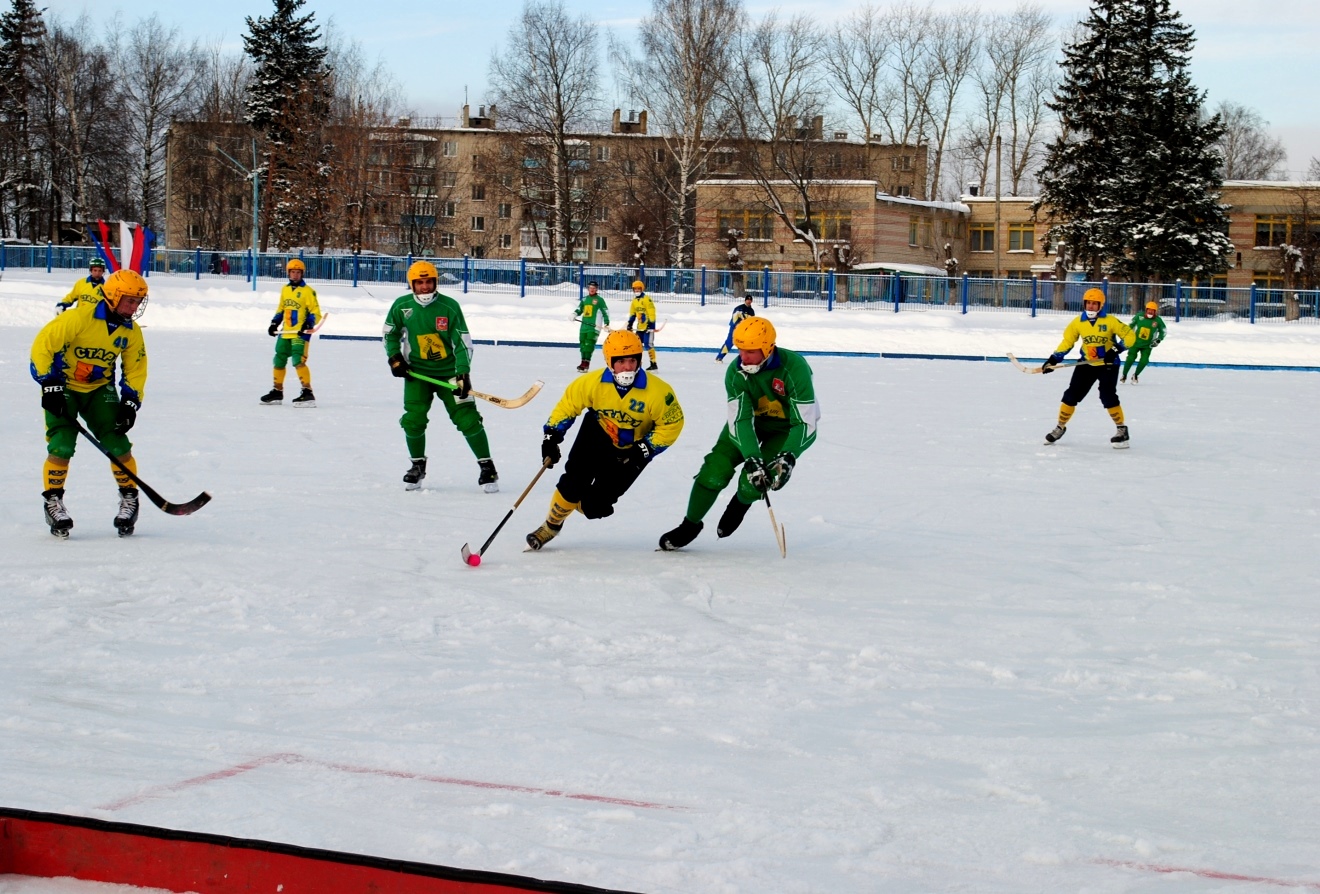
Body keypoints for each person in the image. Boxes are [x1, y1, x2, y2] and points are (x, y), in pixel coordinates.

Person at [660, 317, 818, 551]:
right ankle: (690, 524)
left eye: (750, 351)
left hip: (784, 430)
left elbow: (805, 422)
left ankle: (740, 503)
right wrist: (751, 455)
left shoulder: (794, 368)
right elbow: (740, 419)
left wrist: (789, 456)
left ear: (768, 348)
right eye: (740, 350)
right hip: (749, 424)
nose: (743, 357)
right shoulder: (736, 372)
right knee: (714, 469)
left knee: (756, 480)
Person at [527, 330, 684, 550]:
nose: (628, 367)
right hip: (597, 433)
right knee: (573, 482)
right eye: (621, 361)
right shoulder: (591, 383)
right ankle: (551, 526)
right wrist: (552, 436)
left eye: (632, 360)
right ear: (609, 361)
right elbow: (568, 406)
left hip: (633, 450)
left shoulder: (659, 392)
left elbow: (672, 425)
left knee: (596, 507)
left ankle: (579, 503)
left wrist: (645, 449)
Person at [30, 269, 150, 539]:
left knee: (118, 444)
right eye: (129, 300)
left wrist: (131, 401)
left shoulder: (131, 332)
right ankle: (53, 500)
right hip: (64, 387)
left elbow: (136, 368)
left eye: (137, 302)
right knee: (61, 444)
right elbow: (42, 346)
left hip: (99, 390)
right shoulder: (79, 317)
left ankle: (129, 497)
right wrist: (49, 384)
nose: (134, 307)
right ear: (112, 296)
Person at [383, 259, 499, 493]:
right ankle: (417, 466)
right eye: (420, 282)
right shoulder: (401, 306)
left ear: (436, 282)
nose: (425, 287)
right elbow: (390, 333)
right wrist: (395, 358)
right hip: (417, 375)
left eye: (429, 282)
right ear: (412, 284)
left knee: (467, 418)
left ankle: (487, 467)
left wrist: (462, 374)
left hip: (449, 375)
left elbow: (463, 344)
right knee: (413, 420)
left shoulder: (449, 307)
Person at [1041, 287, 1137, 448]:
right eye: (1088, 303)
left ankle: (1122, 429)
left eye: (1095, 303)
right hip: (1086, 364)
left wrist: (1115, 350)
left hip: (1108, 365)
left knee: (1107, 396)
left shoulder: (1110, 321)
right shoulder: (1078, 322)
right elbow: (1067, 342)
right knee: (1071, 395)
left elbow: (1130, 336)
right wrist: (1054, 359)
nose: (1091, 306)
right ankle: (1060, 427)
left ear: (1101, 305)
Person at [260, 258, 321, 407]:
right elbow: (281, 309)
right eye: (292, 272)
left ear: (302, 274)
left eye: (298, 272)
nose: (295, 275)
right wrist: (274, 323)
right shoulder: (285, 290)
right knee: (279, 359)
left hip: (300, 333)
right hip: (286, 332)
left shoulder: (308, 292)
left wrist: (308, 323)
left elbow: (316, 312)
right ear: (288, 273)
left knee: (298, 361)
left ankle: (307, 392)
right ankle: (277, 391)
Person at [1122, 300, 1166, 384]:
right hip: (1135, 343)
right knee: (1130, 358)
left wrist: (1158, 339)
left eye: (1152, 311)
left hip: (1148, 345)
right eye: (1149, 310)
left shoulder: (1158, 320)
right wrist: (1127, 336)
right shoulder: (1139, 316)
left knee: (1144, 360)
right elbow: (1130, 326)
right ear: (1146, 310)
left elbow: (1163, 331)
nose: (1150, 312)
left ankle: (1135, 375)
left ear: (1155, 312)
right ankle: (1124, 375)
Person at [573, 280, 610, 372]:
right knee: (582, 344)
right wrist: (574, 314)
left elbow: (605, 311)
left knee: (589, 344)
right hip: (584, 326)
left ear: (597, 289)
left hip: (594, 326)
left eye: (594, 288)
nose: (592, 290)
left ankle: (586, 364)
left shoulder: (600, 300)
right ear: (588, 288)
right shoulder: (584, 299)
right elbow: (579, 309)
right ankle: (582, 362)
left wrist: (606, 323)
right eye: (590, 288)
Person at [625, 279, 659, 370]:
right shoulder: (634, 301)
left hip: (648, 327)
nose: (637, 291)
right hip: (640, 327)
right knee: (637, 345)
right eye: (635, 289)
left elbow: (652, 312)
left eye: (638, 289)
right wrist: (630, 323)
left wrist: (651, 324)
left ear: (642, 289)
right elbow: (632, 313)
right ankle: (638, 364)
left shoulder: (647, 299)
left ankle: (653, 363)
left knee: (648, 344)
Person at [715, 295, 756, 362]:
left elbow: (751, 321)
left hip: (743, 330)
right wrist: (737, 325)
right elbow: (734, 319)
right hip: (735, 328)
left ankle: (744, 360)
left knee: (744, 345)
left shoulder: (751, 311)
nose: (749, 301)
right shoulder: (739, 308)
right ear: (745, 300)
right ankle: (719, 358)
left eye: (750, 300)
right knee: (729, 343)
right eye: (747, 300)